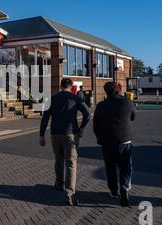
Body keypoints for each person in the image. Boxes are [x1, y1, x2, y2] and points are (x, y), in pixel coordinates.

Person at [39, 78, 91, 206]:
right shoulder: (75, 98)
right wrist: (81, 128)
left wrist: (41, 135)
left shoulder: (52, 99)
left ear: (61, 86)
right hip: (70, 134)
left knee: (58, 159)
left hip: (55, 134)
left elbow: (45, 118)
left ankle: (58, 183)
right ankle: (69, 194)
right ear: (71, 86)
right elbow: (87, 114)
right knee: (71, 163)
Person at [93, 82, 136, 207]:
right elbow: (133, 117)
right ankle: (125, 186)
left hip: (107, 141)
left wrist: (99, 137)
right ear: (118, 90)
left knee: (110, 166)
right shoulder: (128, 103)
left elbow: (96, 125)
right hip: (124, 140)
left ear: (106, 92)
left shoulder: (101, 105)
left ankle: (113, 190)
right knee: (126, 166)